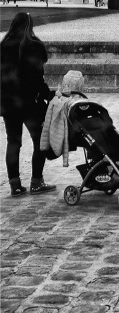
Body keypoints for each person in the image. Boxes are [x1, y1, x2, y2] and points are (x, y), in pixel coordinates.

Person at [0, 12, 56, 196]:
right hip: (29, 104)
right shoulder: (33, 46)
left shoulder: (3, 46)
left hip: (9, 103)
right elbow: (37, 78)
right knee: (40, 142)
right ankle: (36, 182)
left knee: (13, 142)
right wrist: (48, 94)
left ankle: (15, 185)